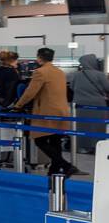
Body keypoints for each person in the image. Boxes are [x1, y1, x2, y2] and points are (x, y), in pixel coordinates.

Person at [13, 47, 78, 176]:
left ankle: (66, 165)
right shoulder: (59, 72)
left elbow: (30, 92)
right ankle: (54, 170)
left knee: (39, 140)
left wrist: (18, 105)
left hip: (46, 113)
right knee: (55, 141)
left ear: (39, 58)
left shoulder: (40, 72)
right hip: (62, 112)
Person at [70, 53, 109, 154]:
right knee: (97, 127)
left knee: (81, 126)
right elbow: (107, 88)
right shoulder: (100, 75)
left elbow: (72, 87)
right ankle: (97, 147)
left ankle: (82, 147)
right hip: (98, 106)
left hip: (80, 106)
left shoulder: (76, 75)